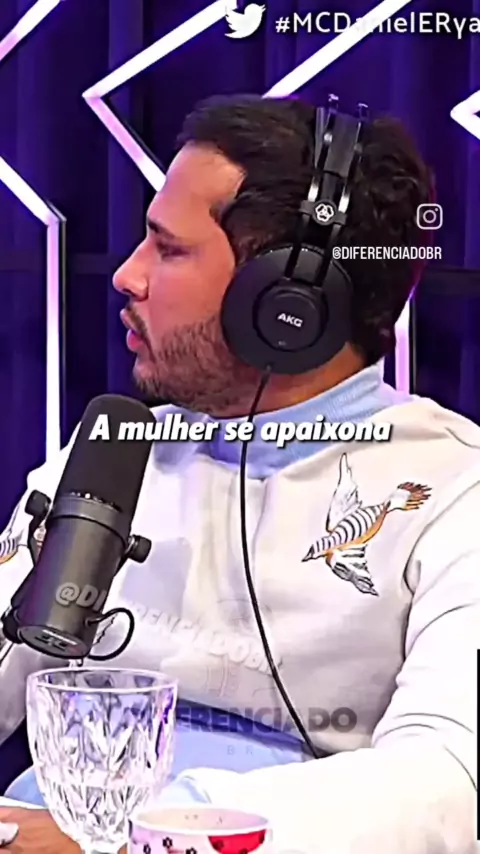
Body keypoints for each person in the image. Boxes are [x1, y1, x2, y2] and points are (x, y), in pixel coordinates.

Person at [0, 94, 477, 854]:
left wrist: (139, 837)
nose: (126, 276)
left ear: (288, 299)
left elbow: (449, 778)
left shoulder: (453, 487)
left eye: (169, 250)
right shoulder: (117, 450)